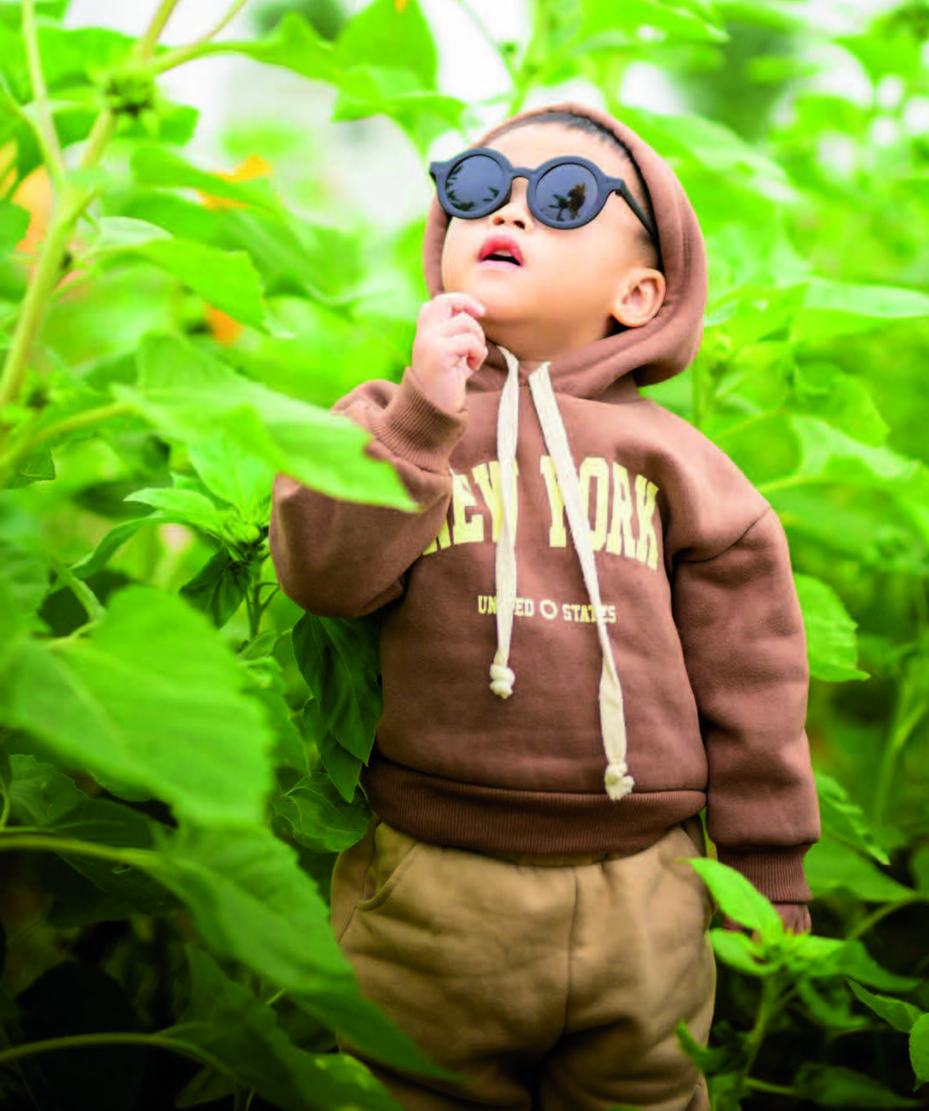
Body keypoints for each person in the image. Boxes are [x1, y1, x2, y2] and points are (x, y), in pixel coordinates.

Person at [269, 100, 821, 1111]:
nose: (509, 216)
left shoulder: (678, 466)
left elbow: (752, 669)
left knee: (647, 1095)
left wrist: (767, 864)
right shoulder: (382, 421)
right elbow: (324, 574)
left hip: (644, 888)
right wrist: (424, 415)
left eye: (562, 200)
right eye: (478, 191)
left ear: (638, 293)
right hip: (431, 883)